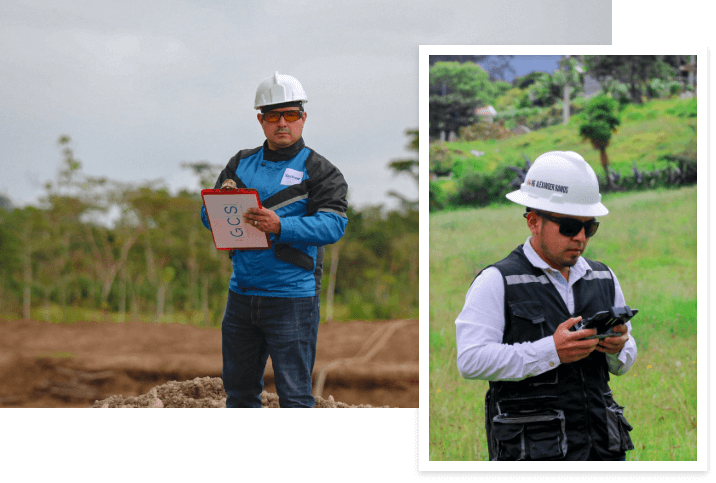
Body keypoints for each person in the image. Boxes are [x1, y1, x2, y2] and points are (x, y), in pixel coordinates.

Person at [455, 151, 637, 460]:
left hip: (602, 448)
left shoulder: (604, 277)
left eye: (589, 227)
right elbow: (471, 360)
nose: (580, 237)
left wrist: (618, 348)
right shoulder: (497, 280)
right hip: (533, 451)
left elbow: (626, 359)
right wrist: (551, 351)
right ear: (533, 221)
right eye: (568, 227)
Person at [201, 71, 348, 408]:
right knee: (238, 394)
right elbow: (208, 216)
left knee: (295, 396)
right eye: (273, 115)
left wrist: (281, 225)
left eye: (291, 115)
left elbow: (333, 225)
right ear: (261, 120)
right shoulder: (239, 163)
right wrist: (221, 206)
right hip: (241, 295)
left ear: (303, 118)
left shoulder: (321, 171)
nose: (282, 123)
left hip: (292, 298)